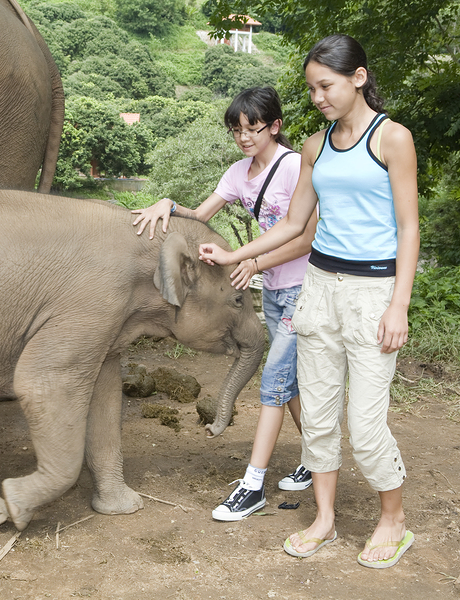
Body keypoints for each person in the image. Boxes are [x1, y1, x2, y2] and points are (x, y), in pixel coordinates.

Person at [199, 35, 419, 569]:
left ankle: (393, 518)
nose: (318, 97)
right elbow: (296, 225)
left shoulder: (393, 139)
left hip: (373, 294)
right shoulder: (315, 149)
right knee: (318, 417)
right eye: (312, 88)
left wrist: (399, 305)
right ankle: (324, 518)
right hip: (318, 290)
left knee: (365, 427)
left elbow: (410, 227)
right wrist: (236, 256)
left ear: (358, 78)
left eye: (327, 85)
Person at [132, 86, 318, 522]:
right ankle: (317, 458)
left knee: (273, 378)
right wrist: (168, 204)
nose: (244, 138)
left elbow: (307, 238)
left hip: (305, 287)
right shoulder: (238, 173)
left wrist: (251, 261)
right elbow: (201, 215)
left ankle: (252, 486)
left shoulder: (295, 167)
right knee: (289, 380)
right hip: (271, 290)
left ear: (274, 126)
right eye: (237, 130)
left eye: (252, 128)